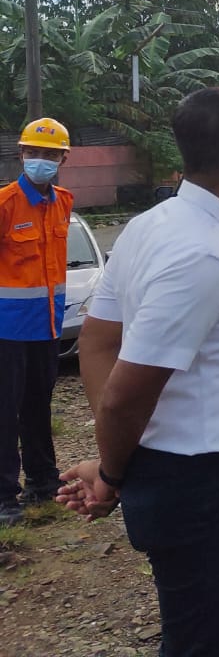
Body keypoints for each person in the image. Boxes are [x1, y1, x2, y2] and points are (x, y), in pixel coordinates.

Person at [55, 89, 219, 657]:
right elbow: (124, 395)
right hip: (202, 482)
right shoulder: (198, 255)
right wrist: (112, 471)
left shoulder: (154, 224)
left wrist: (121, 463)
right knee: (202, 641)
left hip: (187, 472)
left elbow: (97, 343)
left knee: (193, 629)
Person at [0, 118, 74, 527]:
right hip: (6, 330)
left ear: (63, 157)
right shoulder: (6, 203)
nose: (40, 161)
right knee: (4, 413)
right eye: (34, 153)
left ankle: (44, 480)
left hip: (47, 327)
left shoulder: (63, 201)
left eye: (49, 154)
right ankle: (5, 495)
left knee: (37, 407)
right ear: (21, 154)